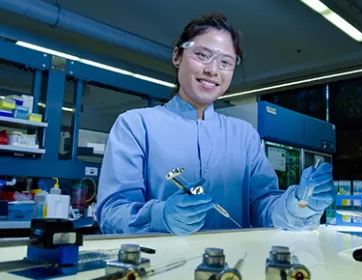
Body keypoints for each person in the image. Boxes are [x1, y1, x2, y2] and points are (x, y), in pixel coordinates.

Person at [96, 13, 336, 236]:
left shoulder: (244, 135)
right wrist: (162, 216)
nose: (212, 70)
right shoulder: (136, 125)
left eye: (226, 62)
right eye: (201, 55)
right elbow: (111, 214)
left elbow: (263, 205)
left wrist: (297, 205)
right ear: (177, 56)